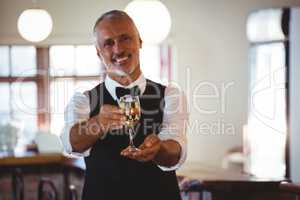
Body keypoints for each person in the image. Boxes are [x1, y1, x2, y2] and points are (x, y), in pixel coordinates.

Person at [60, 10, 188, 200]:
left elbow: (176, 150)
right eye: (108, 43)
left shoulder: (171, 94)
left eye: (125, 38)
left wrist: (159, 148)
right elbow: (71, 144)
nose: (118, 49)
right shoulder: (83, 99)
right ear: (98, 52)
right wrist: (98, 123)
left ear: (140, 41)